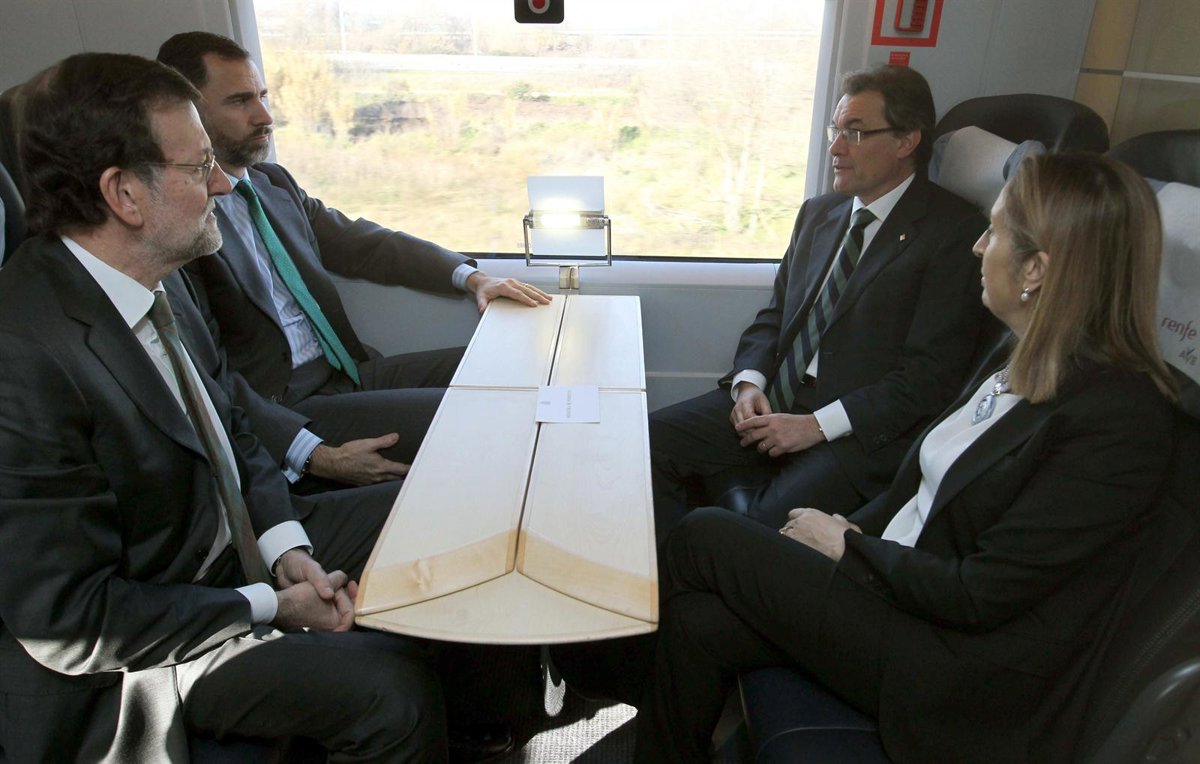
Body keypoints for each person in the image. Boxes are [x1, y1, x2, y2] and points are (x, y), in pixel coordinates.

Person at [635, 152, 1180, 763]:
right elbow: (918, 491)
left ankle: (592, 662)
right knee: (698, 626)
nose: (978, 247)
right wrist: (851, 530)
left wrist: (848, 548)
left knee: (705, 534)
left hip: (954, 663)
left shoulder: (1118, 421)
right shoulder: (1017, 355)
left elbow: (982, 593)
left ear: (1036, 269)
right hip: (902, 596)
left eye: (994, 232)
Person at [0, 53, 446, 762]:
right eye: (199, 164)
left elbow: (232, 429)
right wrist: (268, 604)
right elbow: (72, 622)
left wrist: (286, 549)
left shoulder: (158, 276)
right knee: (391, 693)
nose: (221, 182)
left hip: (226, 555)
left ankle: (498, 721)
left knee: (439, 518)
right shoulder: (23, 358)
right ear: (124, 195)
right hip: (139, 654)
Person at [156, 31, 552, 492]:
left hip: (346, 373)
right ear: (188, 113)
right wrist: (311, 453)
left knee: (519, 366)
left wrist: (472, 277)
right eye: (240, 101)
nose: (264, 116)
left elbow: (365, 245)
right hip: (287, 406)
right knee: (495, 410)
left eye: (262, 96)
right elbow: (206, 371)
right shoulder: (182, 224)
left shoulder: (271, 183)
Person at [649, 64, 986, 536]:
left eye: (855, 132)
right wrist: (748, 384)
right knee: (647, 442)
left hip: (853, 432)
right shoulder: (819, 213)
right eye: (836, 130)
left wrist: (816, 426)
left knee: (752, 531)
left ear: (906, 141)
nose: (835, 148)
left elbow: (925, 378)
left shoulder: (954, 234)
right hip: (774, 400)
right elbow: (775, 317)